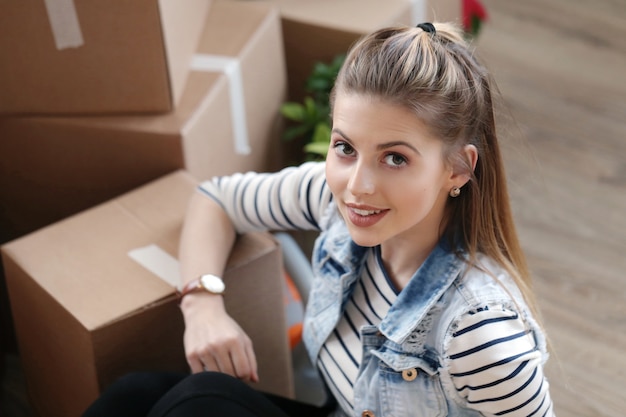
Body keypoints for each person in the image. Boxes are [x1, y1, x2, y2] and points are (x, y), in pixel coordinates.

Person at [83, 22, 555, 417]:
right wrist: (202, 306)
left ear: (457, 168)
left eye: (395, 159)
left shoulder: (478, 333)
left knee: (200, 403)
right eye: (346, 147)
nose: (357, 186)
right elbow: (216, 199)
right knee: (134, 396)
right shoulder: (332, 199)